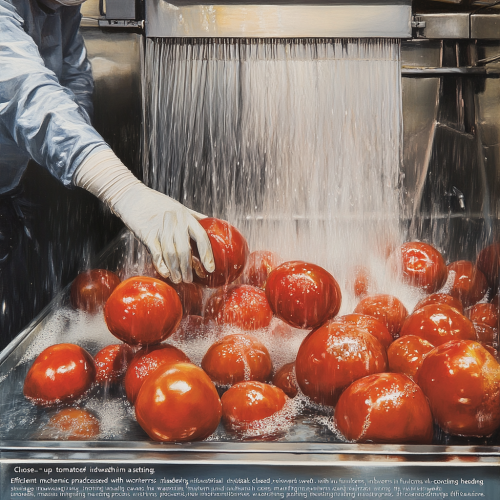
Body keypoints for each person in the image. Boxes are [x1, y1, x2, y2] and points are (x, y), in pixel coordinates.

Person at [0, 0, 215, 284]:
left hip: (9, 190)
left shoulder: (62, 8)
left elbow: (75, 80)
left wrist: (87, 165)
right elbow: (25, 94)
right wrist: (124, 191)